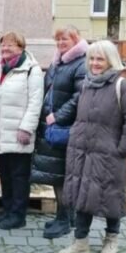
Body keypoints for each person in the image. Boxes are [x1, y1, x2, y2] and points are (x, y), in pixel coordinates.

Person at [59, 40, 126, 253]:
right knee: (82, 197)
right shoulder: (87, 84)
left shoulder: (122, 86)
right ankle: (81, 242)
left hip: (109, 154)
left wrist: (123, 149)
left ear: (110, 60)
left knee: (111, 197)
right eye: (92, 59)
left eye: (100, 59)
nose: (95, 63)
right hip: (83, 151)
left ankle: (111, 240)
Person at [31, 25, 88, 239]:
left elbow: (79, 96)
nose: (61, 43)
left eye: (65, 39)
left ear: (75, 40)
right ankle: (64, 216)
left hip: (64, 127)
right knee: (57, 174)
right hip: (52, 125)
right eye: (58, 40)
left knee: (62, 176)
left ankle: (64, 220)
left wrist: (58, 116)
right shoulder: (59, 62)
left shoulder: (80, 63)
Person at [0, 32, 44, 230]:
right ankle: (8, 210)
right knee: (5, 175)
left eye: (11, 45)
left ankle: (18, 215)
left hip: (19, 133)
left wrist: (27, 128)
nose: (6, 48)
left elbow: (36, 102)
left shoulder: (30, 70)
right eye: (4, 45)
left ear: (21, 47)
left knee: (19, 176)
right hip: (0, 132)